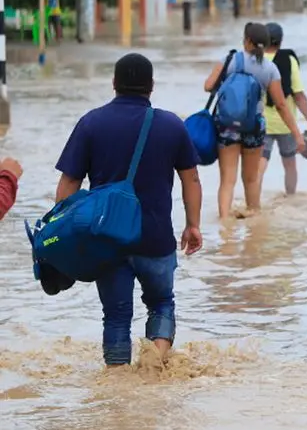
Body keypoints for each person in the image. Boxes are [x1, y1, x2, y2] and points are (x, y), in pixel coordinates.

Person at [54, 53, 204, 367]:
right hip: (156, 239)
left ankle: (118, 388)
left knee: (116, 317)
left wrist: (63, 232)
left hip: (107, 241)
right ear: (151, 86)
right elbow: (191, 178)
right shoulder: (171, 125)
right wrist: (193, 224)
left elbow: (69, 183)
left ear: (114, 84)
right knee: (161, 303)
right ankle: (154, 364)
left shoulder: (91, 123)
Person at [202, 22, 305, 219]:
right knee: (250, 179)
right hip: (254, 127)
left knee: (227, 180)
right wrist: (297, 134)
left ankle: (225, 225)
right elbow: (281, 105)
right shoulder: (269, 68)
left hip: (227, 126)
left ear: (247, 41)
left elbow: (208, 86)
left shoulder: (229, 60)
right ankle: (253, 219)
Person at [260, 22, 307, 196]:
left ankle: (253, 201)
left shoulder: (256, 60)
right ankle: (291, 198)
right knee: (290, 164)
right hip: (286, 122)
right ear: (281, 40)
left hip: (261, 122)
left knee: (260, 163)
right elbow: (298, 95)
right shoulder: (289, 60)